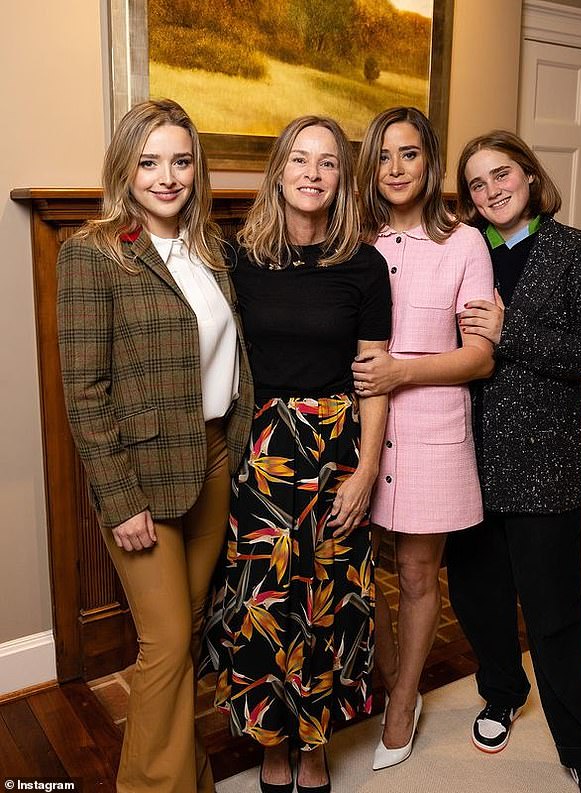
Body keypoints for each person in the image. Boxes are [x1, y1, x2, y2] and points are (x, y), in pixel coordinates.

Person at [56, 98, 253, 793]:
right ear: (125, 168)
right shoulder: (93, 251)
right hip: (141, 476)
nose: (166, 176)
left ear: (196, 168)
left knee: (186, 635)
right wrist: (119, 498)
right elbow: (85, 391)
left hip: (214, 459)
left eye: (180, 159)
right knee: (166, 642)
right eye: (149, 161)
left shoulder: (209, 250)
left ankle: (187, 774)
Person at [200, 116, 391, 793]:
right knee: (262, 600)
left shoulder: (365, 266)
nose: (313, 173)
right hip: (259, 454)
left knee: (331, 603)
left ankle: (315, 745)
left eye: (329, 163)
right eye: (300, 159)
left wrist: (368, 469)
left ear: (342, 178)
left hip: (338, 450)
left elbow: (374, 375)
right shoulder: (236, 257)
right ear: (278, 170)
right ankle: (271, 742)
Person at [446, 130, 581, 793]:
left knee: (553, 612)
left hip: (545, 466)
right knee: (477, 597)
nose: (490, 190)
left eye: (501, 174)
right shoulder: (463, 252)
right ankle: (501, 689)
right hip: (465, 457)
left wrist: (508, 329)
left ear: (528, 175)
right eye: (476, 183)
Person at [352, 106, 495, 771]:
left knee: (414, 571)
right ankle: (384, 671)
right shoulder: (358, 241)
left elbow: (479, 357)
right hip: (359, 431)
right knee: (352, 565)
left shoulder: (465, 243)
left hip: (433, 429)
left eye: (407, 154)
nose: (395, 168)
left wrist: (401, 370)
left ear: (429, 161)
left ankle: (404, 699)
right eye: (382, 156)